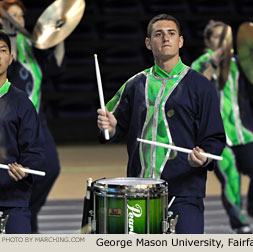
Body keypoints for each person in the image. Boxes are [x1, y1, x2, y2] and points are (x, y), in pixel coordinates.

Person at [97, 14, 226, 234]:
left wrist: (204, 157)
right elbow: (114, 126)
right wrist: (109, 127)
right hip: (139, 190)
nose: (165, 38)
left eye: (171, 33)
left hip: (185, 192)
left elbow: (214, 138)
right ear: (149, 43)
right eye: (158, 34)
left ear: (180, 41)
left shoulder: (201, 86)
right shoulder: (134, 84)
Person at [191, 20, 253, 233]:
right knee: (231, 178)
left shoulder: (237, 62)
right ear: (208, 41)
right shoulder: (202, 62)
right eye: (217, 36)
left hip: (242, 132)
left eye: (226, 37)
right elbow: (194, 86)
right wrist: (213, 64)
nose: (222, 41)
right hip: (216, 136)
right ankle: (239, 223)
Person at [0, 0, 65, 233]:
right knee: (12, 170)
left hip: (36, 118)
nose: (17, 20)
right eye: (12, 16)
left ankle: (29, 211)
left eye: (20, 16)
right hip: (8, 119)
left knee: (49, 168)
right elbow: (12, 59)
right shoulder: (7, 47)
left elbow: (56, 67)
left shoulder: (32, 46)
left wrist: (59, 36)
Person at [0, 30, 45, 234]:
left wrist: (24, 169)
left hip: (12, 200)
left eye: (2, 50)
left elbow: (34, 151)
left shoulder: (22, 103)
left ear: (10, 58)